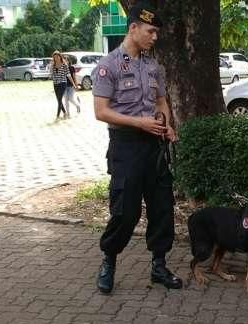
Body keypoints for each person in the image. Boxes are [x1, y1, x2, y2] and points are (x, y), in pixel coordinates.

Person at [91, 2, 182, 294]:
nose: (155, 37)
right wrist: (138, 123)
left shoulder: (153, 66)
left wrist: (166, 125)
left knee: (162, 207)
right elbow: (101, 112)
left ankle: (159, 265)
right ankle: (109, 261)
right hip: (126, 146)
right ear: (133, 28)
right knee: (124, 212)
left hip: (154, 146)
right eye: (150, 31)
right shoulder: (108, 66)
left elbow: (160, 102)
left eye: (156, 32)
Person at [49, 51, 73, 121]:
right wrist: (51, 66)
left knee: (59, 99)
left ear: (60, 57)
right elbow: (51, 75)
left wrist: (73, 84)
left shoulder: (64, 65)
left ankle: (57, 116)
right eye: (54, 57)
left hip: (63, 83)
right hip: (55, 83)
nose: (56, 58)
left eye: (57, 56)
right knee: (58, 100)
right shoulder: (53, 65)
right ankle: (65, 113)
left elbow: (68, 75)